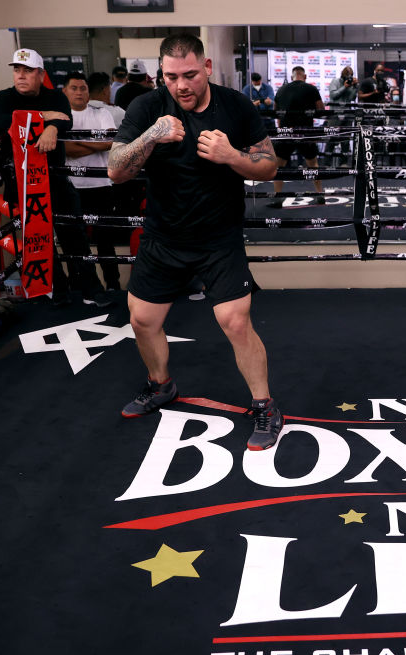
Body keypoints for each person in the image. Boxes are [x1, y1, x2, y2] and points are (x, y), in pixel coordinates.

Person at [107, 33, 284, 450]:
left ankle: (265, 406)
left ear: (206, 68)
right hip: (163, 236)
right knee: (142, 321)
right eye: (171, 77)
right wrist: (150, 136)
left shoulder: (235, 105)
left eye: (190, 74)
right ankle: (160, 384)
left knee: (236, 323)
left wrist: (233, 157)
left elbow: (270, 166)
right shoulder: (148, 107)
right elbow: (116, 170)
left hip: (218, 237)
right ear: (160, 75)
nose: (181, 85)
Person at [0, 48, 111, 307]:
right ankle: (57, 291)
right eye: (17, 70)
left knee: (74, 234)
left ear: (40, 74)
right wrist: (44, 118)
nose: (21, 76)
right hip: (21, 184)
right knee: (38, 239)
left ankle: (91, 289)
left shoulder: (55, 96)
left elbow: (65, 119)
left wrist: (53, 128)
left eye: (28, 70)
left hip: (54, 180)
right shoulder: (4, 98)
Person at [63, 72, 121, 291]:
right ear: (65, 91)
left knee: (106, 239)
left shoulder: (101, 112)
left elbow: (112, 142)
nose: (79, 92)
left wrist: (77, 143)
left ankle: (113, 284)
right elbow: (64, 148)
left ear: (89, 91)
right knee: (75, 241)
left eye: (83, 88)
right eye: (74, 88)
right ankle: (82, 285)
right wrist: (94, 142)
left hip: (101, 185)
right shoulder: (61, 117)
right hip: (73, 186)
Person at [269, 66, 325, 208]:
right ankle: (320, 194)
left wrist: (281, 128)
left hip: (286, 132)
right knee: (313, 165)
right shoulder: (311, 89)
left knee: (279, 166)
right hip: (305, 132)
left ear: (292, 76)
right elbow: (321, 110)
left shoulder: (281, 90)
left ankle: (277, 197)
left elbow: (275, 111)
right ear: (304, 76)